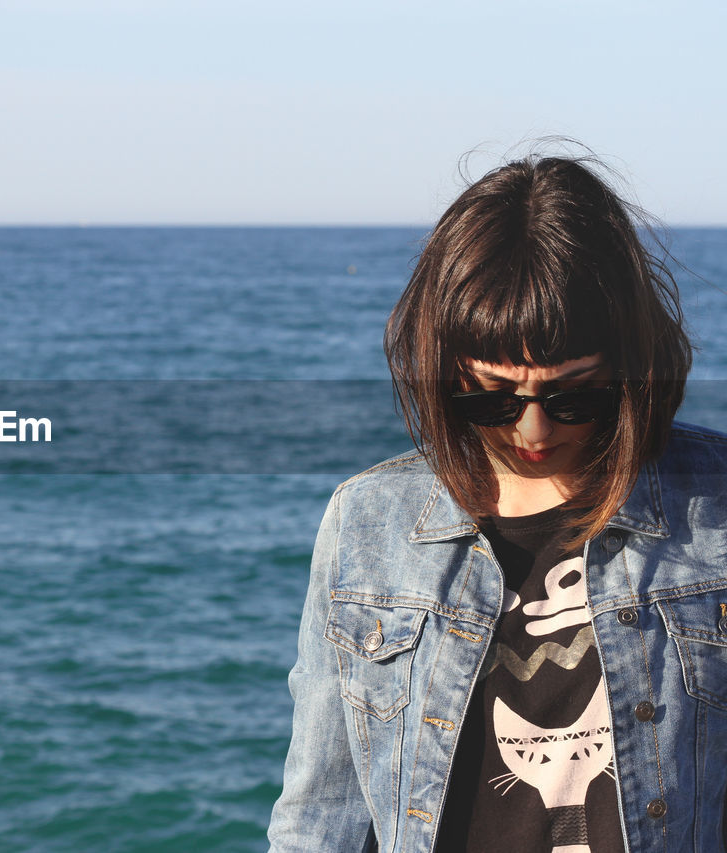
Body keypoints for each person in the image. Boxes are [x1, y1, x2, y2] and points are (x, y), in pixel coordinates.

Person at [266, 151, 727, 852]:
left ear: (631, 368)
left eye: (574, 394)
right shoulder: (369, 523)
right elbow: (320, 818)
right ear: (441, 368)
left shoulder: (714, 509)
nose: (533, 430)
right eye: (494, 396)